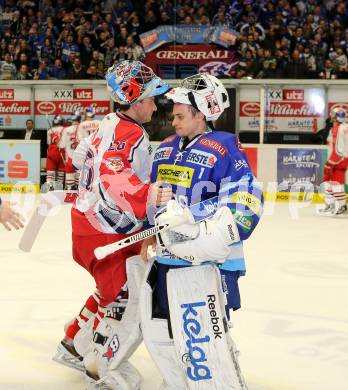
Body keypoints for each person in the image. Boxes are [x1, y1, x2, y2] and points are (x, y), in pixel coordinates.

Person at [140, 73, 263, 389]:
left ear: (201, 112)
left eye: (180, 115)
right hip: (169, 260)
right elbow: (152, 199)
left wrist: (200, 221)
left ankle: (220, 378)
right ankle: (187, 378)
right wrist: (149, 230)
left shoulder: (225, 146)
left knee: (212, 330)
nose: (173, 121)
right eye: (172, 115)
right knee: (175, 329)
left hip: (211, 261)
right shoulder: (165, 149)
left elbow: (246, 199)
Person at [53, 60, 171, 390]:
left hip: (89, 223)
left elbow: (78, 159)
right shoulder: (130, 133)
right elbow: (114, 176)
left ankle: (73, 342)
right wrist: (152, 195)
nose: (154, 104)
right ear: (134, 102)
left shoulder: (107, 123)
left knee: (110, 289)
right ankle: (102, 365)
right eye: (150, 98)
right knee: (127, 296)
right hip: (107, 229)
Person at [318, 107, 348, 216]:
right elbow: (333, 147)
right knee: (328, 181)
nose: (331, 116)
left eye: (333, 114)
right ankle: (330, 204)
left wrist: (330, 162)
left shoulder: (339, 129)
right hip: (339, 158)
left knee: (336, 182)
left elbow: (339, 150)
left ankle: (342, 205)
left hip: (340, 159)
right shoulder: (337, 128)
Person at [45, 115, 65, 191]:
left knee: (50, 171)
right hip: (61, 152)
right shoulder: (65, 129)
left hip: (52, 152)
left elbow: (48, 142)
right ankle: (59, 187)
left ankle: (49, 186)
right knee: (60, 172)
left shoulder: (49, 130)